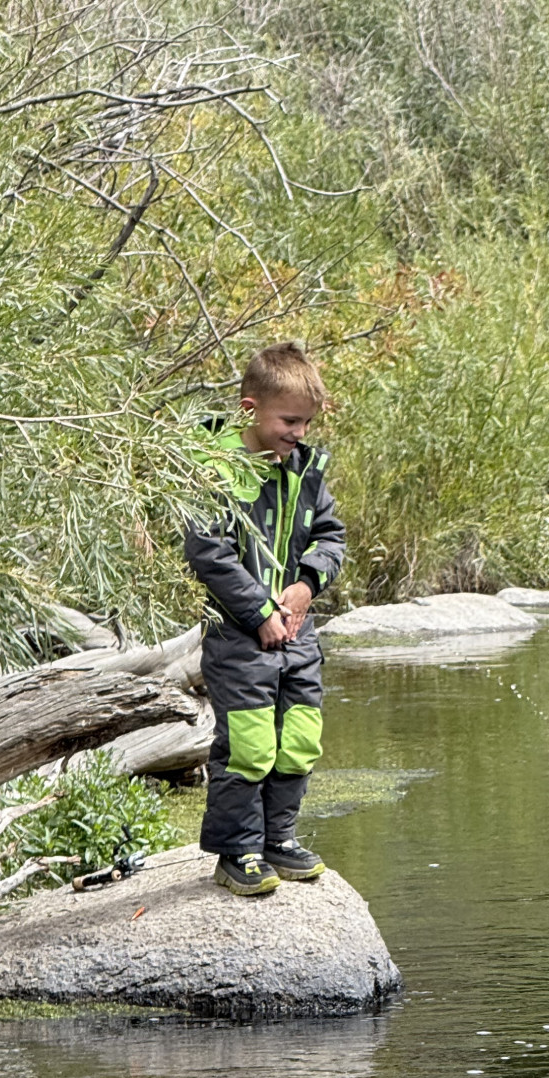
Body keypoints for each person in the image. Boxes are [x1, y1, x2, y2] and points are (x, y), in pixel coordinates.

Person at [184, 342, 346, 896]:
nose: (299, 433)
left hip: (297, 631)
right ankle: (238, 852)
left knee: (300, 737)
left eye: (306, 423)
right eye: (289, 421)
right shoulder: (218, 469)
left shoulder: (305, 470)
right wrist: (258, 612)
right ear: (250, 410)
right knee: (249, 744)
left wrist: (305, 588)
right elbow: (208, 552)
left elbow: (331, 537)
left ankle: (279, 839)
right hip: (238, 633)